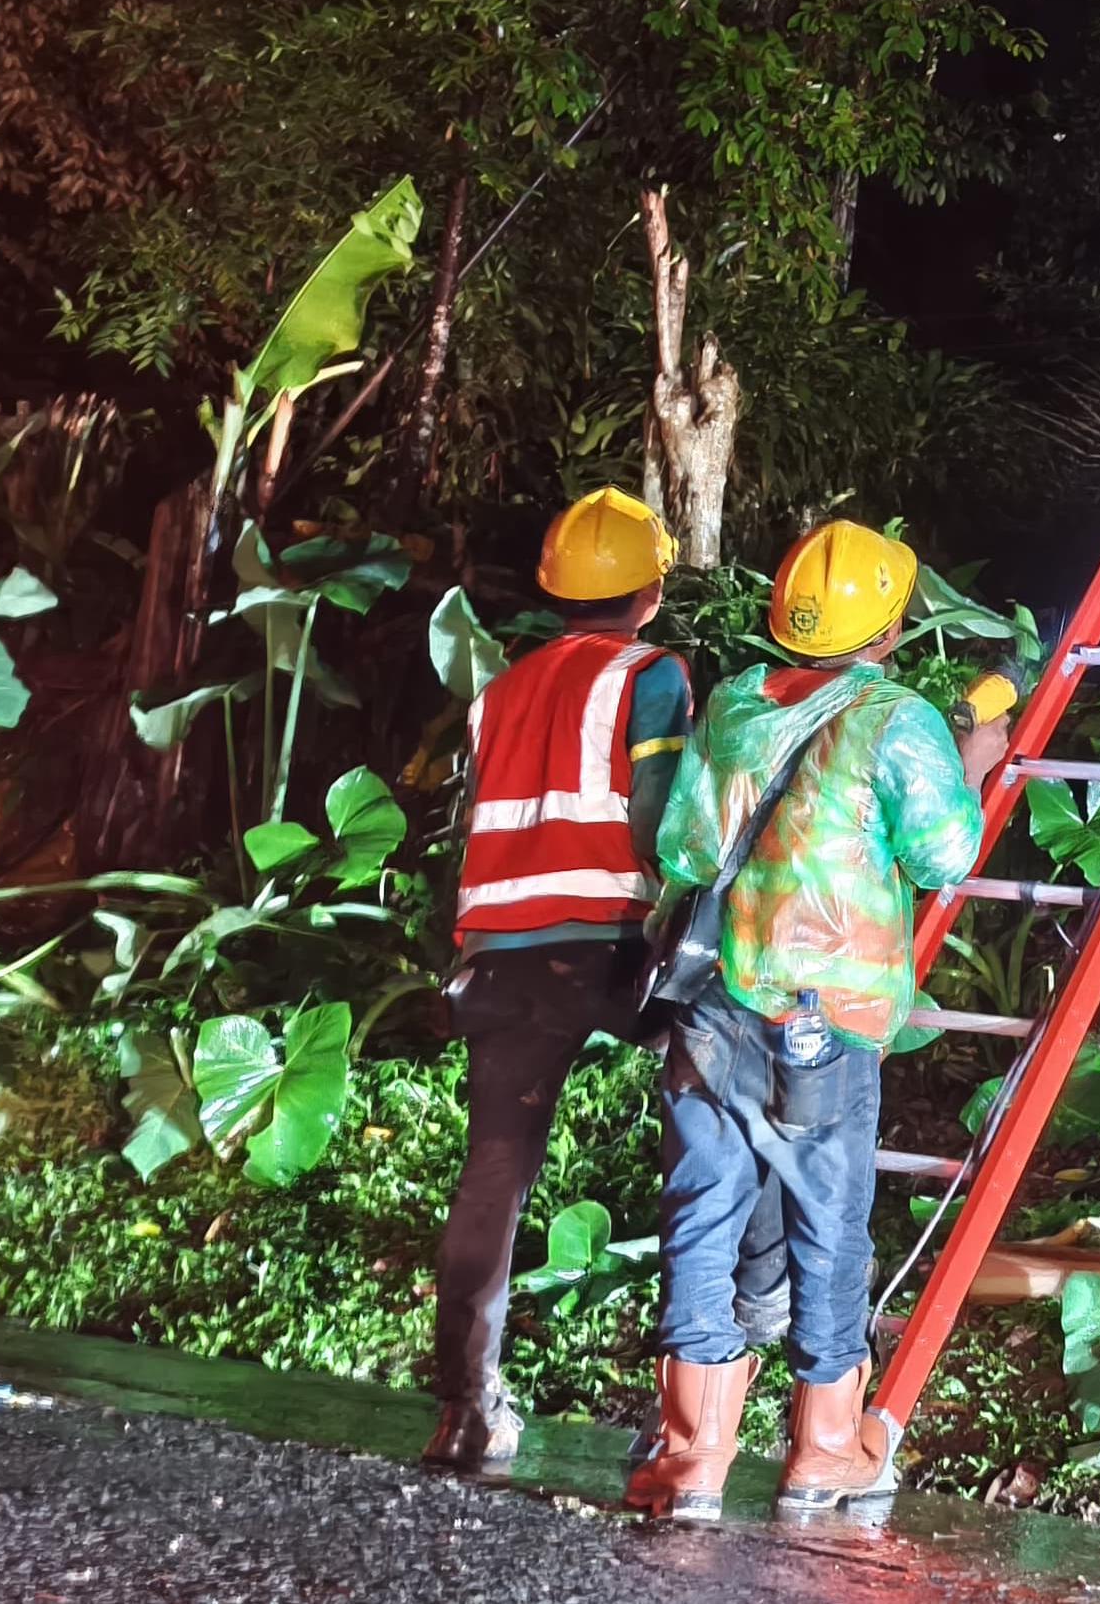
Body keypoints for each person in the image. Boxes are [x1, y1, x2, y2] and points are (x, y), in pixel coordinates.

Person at [624, 519, 1013, 1522]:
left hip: (715, 1006)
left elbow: (681, 845)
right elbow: (944, 855)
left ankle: (692, 1456)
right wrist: (974, 758)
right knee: (828, 1223)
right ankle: (825, 1448)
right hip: (825, 1017)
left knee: (702, 1216)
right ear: (888, 630)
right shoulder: (897, 719)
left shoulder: (733, 704)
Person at [424, 489, 695, 1472]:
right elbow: (665, 818)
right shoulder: (650, 673)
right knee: (702, 1149)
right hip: (608, 944)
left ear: (554, 590)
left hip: (500, 958)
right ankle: (684, 1422)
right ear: (650, 589)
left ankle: (465, 1407)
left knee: (495, 1166)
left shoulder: (499, 690)